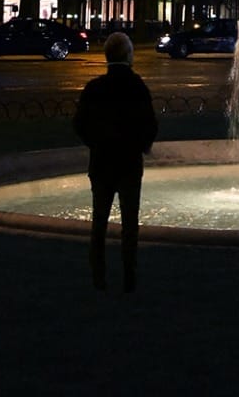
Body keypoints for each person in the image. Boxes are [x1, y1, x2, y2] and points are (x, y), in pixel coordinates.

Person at [73, 31, 158, 292]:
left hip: (101, 162)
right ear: (129, 55)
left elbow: (79, 123)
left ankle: (99, 277)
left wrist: (96, 143)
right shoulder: (137, 86)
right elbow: (149, 124)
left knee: (99, 221)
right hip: (129, 162)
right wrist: (142, 145)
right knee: (129, 224)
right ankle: (128, 277)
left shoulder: (94, 87)